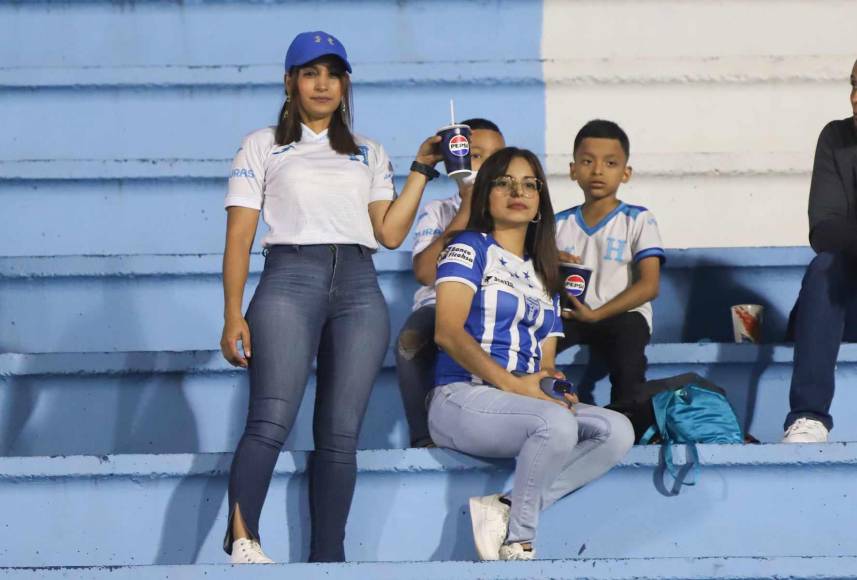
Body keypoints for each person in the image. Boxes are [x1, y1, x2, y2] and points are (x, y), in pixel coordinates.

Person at [219, 31, 441, 564]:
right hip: (289, 279)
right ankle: (243, 539)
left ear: (345, 85)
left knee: (341, 435)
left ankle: (328, 560)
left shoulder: (369, 151)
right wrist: (231, 314)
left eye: (333, 74)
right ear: (289, 82)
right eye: (310, 73)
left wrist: (421, 169)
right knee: (270, 418)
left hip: (359, 287)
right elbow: (239, 237)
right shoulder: (262, 144)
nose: (322, 84)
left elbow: (390, 233)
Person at [427, 147, 634, 561]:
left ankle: (507, 505)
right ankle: (518, 542)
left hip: (521, 402)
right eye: (503, 182)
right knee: (555, 424)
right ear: (485, 195)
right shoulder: (468, 247)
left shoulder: (546, 272)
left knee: (617, 431)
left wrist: (553, 386)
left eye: (528, 184)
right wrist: (515, 386)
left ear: (540, 200)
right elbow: (447, 332)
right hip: (460, 397)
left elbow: (546, 364)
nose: (517, 191)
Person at [396, 118, 506, 447]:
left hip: (497, 303)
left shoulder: (518, 209)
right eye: (476, 155)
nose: (486, 166)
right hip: (440, 304)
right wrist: (468, 209)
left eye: (497, 158)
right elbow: (426, 273)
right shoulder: (439, 210)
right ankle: (423, 438)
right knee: (411, 340)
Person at [554, 120, 664, 406]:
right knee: (532, 343)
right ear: (573, 170)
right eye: (587, 161)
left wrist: (598, 314)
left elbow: (650, 286)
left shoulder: (638, 219)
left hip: (622, 314)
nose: (598, 171)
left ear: (626, 173)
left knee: (629, 364)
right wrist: (549, 261)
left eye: (611, 163)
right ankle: (540, 405)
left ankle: (627, 418)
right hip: (572, 315)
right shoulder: (558, 224)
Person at [782, 58, 857, 443]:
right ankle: (809, 417)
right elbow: (824, 230)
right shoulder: (837, 138)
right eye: (855, 85)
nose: (856, 98)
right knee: (825, 266)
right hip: (844, 303)